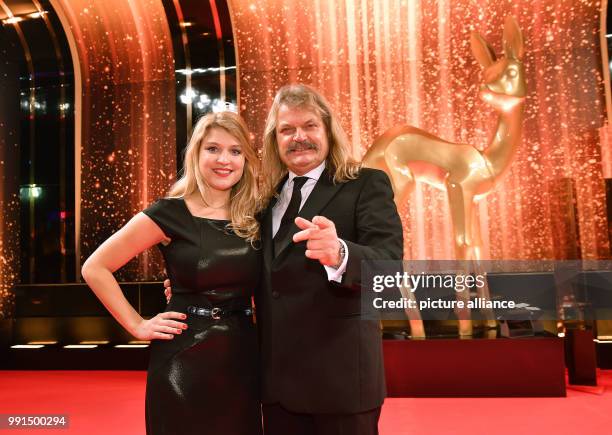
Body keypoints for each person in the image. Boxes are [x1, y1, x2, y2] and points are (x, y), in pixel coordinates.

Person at [167, 84, 403, 435]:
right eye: (286, 130)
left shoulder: (365, 184)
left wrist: (340, 253)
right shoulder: (264, 199)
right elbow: (249, 268)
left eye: (309, 126)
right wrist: (199, 284)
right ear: (274, 139)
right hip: (277, 387)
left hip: (342, 386)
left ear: (327, 130)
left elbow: (389, 268)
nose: (299, 137)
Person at [82, 111, 263, 435]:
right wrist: (137, 324)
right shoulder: (169, 212)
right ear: (196, 153)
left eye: (235, 151)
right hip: (183, 359)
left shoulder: (256, 214)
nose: (225, 159)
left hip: (242, 356)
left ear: (246, 160)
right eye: (213, 149)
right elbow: (95, 267)